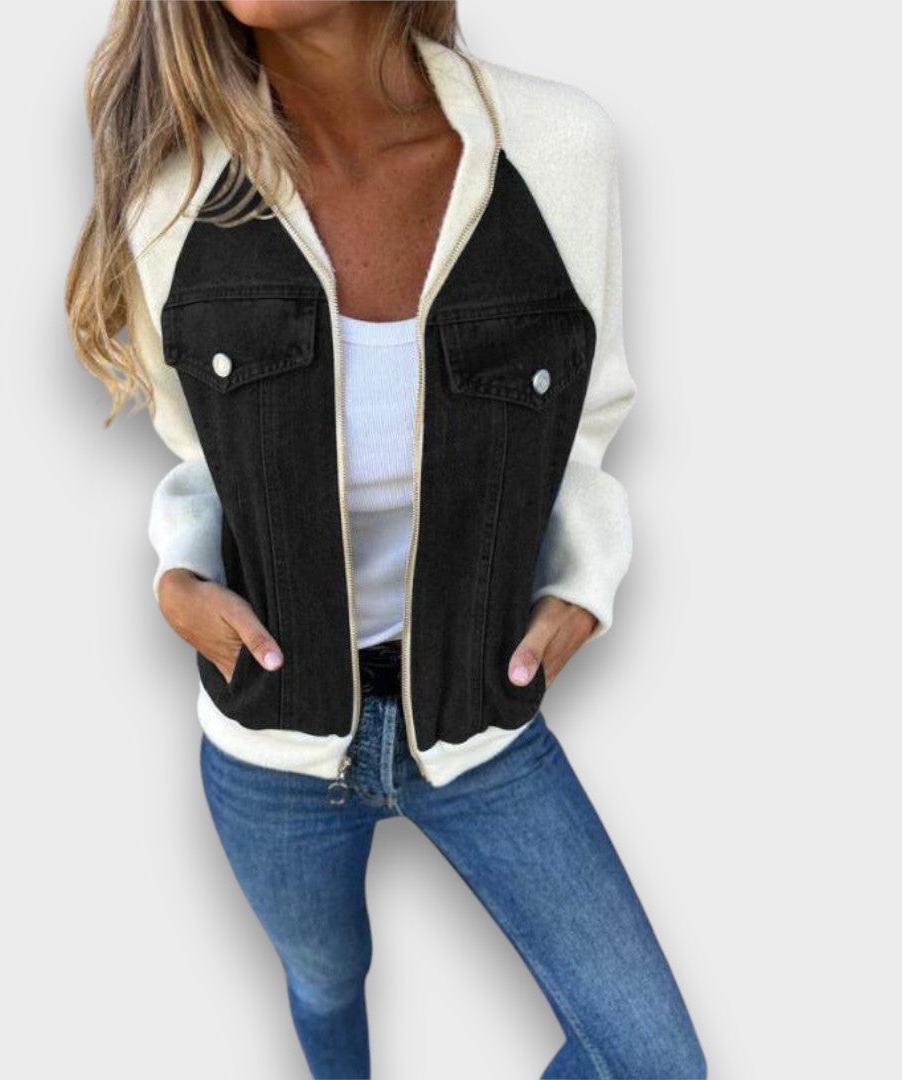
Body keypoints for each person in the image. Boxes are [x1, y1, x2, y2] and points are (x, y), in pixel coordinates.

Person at [66, 2, 707, 1076]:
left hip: (478, 718)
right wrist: (178, 577)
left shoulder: (555, 150)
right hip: (273, 736)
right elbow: (196, 452)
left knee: (655, 1063)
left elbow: (586, 414)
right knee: (326, 981)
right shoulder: (174, 197)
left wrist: (586, 584)